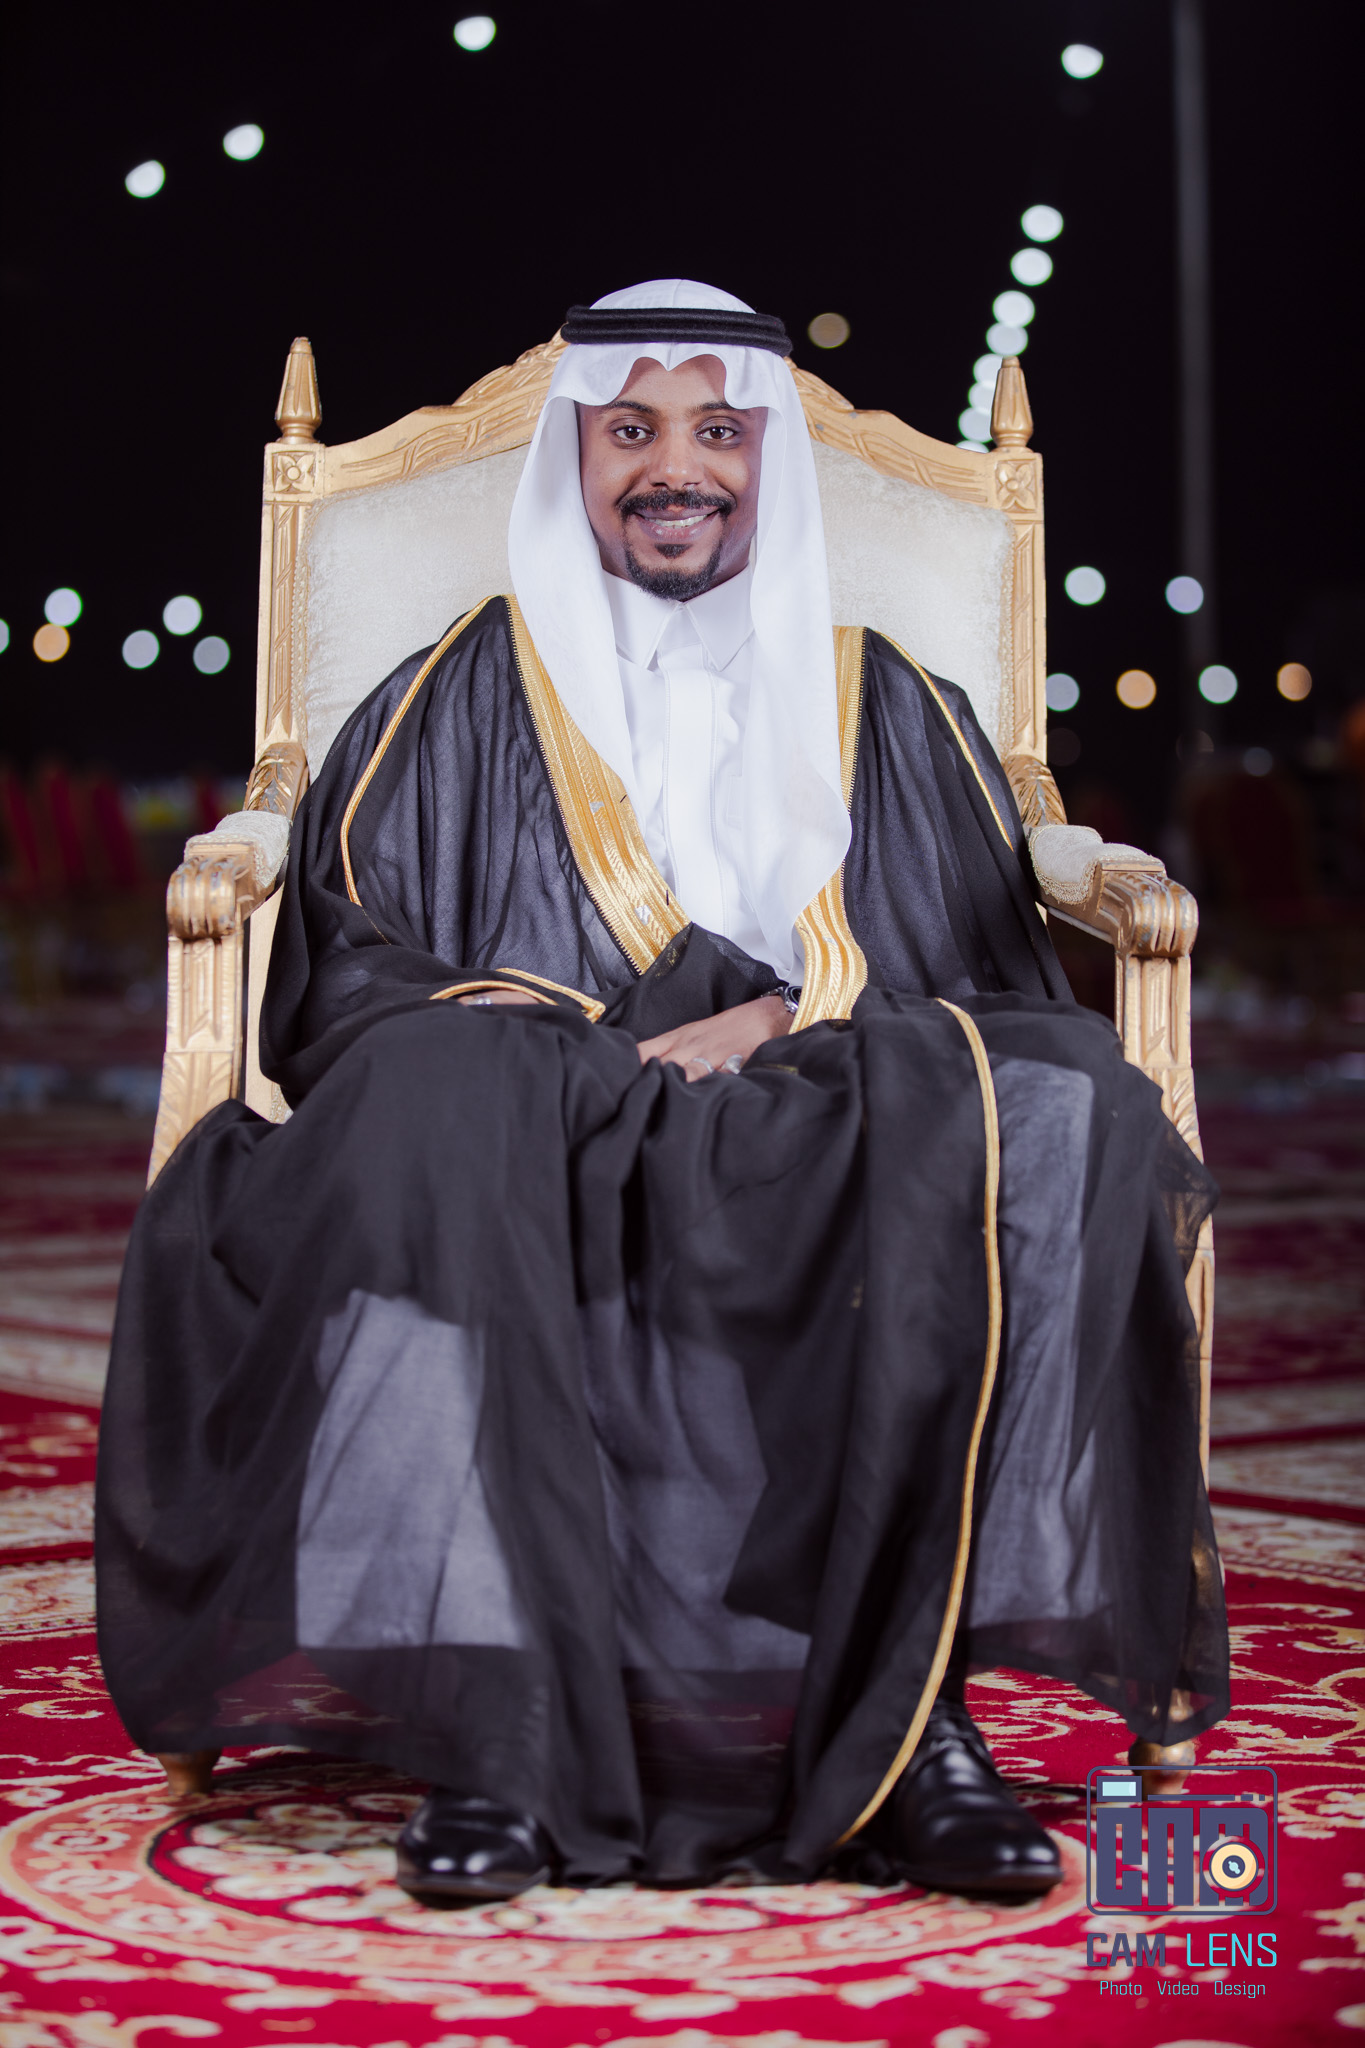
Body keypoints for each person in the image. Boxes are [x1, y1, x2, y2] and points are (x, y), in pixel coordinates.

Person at [96, 280, 1226, 1905]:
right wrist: (585, 1043)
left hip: (825, 1073)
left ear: (771, 463)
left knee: (1056, 1102)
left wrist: (768, 1019)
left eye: (716, 432)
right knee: (432, 1096)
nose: (672, 468)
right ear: (576, 455)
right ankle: (496, 1731)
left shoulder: (885, 695)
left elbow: (974, 961)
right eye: (629, 430)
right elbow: (358, 957)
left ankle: (918, 1729)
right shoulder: (458, 688)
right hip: (537, 1087)